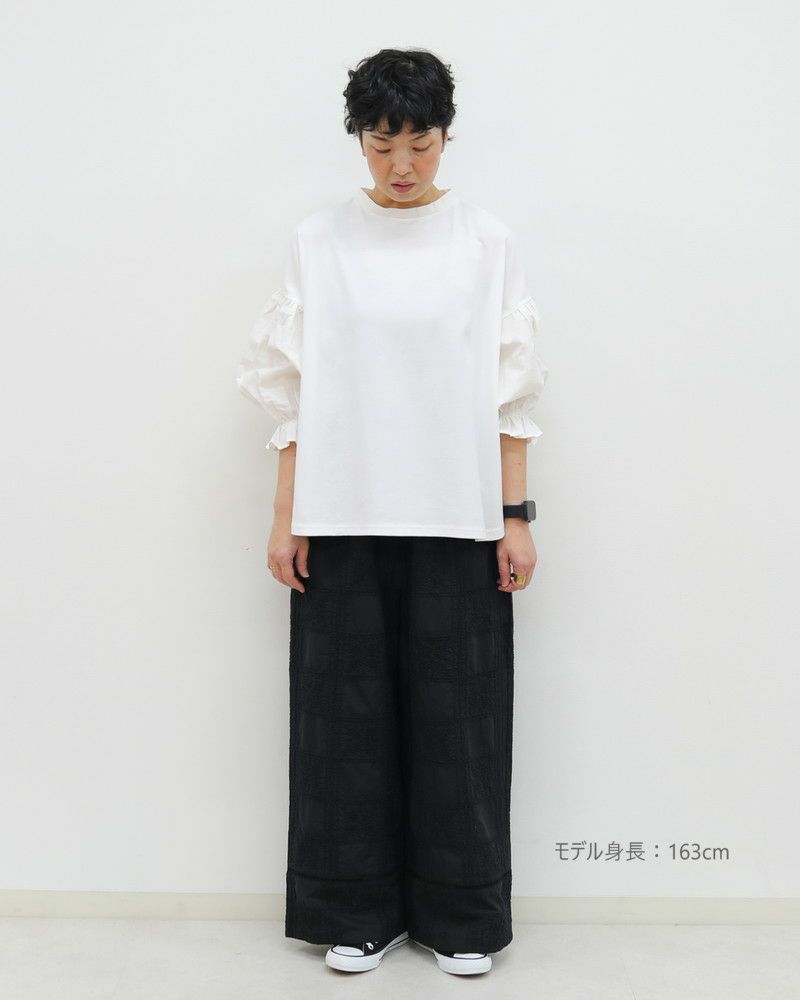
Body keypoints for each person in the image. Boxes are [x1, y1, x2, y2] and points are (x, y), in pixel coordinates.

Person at [236, 47, 549, 977]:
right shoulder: (318, 241)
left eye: (420, 143)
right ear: (359, 140)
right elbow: (291, 389)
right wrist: (286, 515)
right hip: (342, 513)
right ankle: (354, 911)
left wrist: (517, 514)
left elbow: (511, 389)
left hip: (460, 515)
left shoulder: (485, 242)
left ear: (446, 136)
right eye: (382, 144)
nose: (402, 164)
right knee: (344, 720)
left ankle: (460, 917)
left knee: (460, 720)